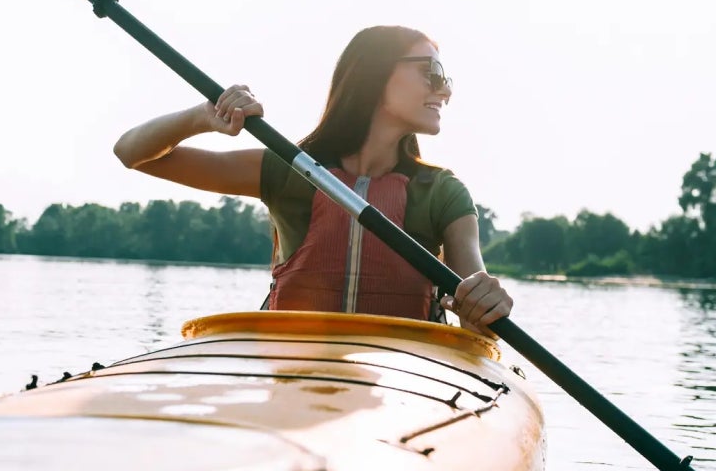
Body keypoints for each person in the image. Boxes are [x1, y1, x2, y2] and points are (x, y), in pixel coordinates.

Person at [113, 25, 513, 336]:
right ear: (374, 74)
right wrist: (202, 117)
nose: (443, 89)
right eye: (432, 72)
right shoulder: (289, 171)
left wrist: (484, 302)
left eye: (446, 79)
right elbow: (131, 152)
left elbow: (475, 320)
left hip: (401, 383)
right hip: (291, 372)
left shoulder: (443, 193)